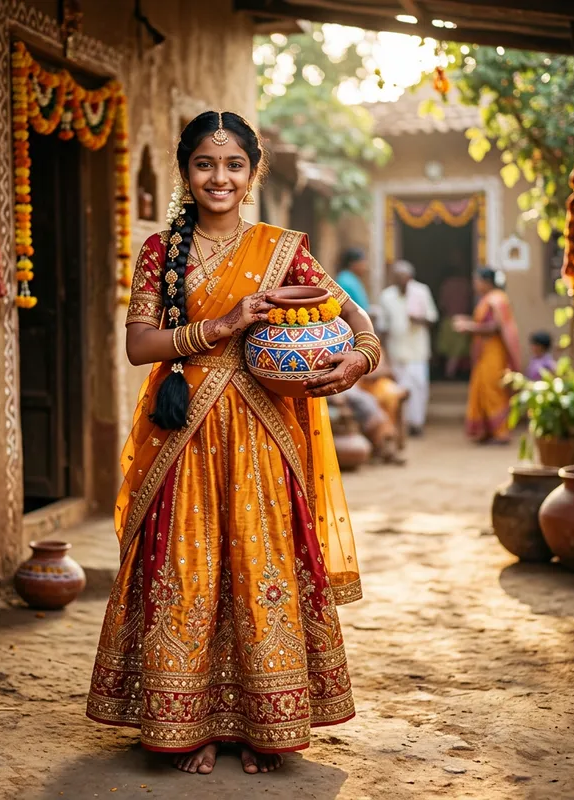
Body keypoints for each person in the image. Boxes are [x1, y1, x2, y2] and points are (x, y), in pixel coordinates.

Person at [87, 112, 382, 776]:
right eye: (204, 164)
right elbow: (139, 346)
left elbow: (353, 315)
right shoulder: (160, 251)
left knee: (259, 568)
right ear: (185, 171)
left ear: (253, 174)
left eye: (233, 165)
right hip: (185, 436)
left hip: (264, 436)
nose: (218, 177)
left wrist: (360, 358)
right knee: (187, 570)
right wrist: (220, 326)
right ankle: (186, 722)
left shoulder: (283, 248)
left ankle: (261, 724)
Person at [453, 267, 522, 444]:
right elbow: (484, 323)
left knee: (493, 389)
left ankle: (501, 432)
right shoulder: (486, 300)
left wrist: (469, 327)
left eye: (477, 281)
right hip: (484, 352)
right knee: (481, 388)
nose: (475, 284)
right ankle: (485, 431)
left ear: (486, 282)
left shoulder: (497, 299)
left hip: (494, 352)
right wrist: (468, 322)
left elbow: (496, 327)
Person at [377, 260, 439, 436]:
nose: (400, 280)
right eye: (397, 277)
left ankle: (417, 424)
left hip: (417, 351)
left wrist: (418, 319)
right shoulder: (386, 296)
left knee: (419, 388)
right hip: (396, 351)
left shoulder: (421, 291)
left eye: (403, 277)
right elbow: (383, 327)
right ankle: (401, 425)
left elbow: (432, 318)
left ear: (410, 277)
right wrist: (384, 355)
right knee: (398, 390)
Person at [336, 247, 371, 311]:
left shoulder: (351, 278)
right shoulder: (346, 281)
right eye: (362, 263)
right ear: (353, 264)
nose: (365, 267)